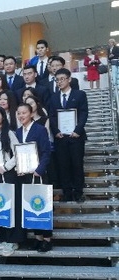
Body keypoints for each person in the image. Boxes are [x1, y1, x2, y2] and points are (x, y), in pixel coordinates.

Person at [0, 106, 24, 256]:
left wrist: (6, 167)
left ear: (3, 117)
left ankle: (13, 240)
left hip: (7, 174)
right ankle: (4, 237)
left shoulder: (9, 133)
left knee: (11, 206)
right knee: (0, 206)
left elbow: (17, 153)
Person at [16, 103, 52, 252]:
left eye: (24, 113)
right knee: (32, 205)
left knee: (42, 206)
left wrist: (40, 169)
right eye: (19, 113)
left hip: (38, 174)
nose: (21, 116)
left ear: (31, 114)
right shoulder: (17, 132)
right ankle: (38, 238)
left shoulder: (40, 129)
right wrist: (19, 167)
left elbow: (46, 152)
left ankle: (47, 239)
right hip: (24, 174)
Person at [50, 68, 88, 202]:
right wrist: (56, 131)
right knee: (63, 165)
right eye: (57, 80)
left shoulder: (80, 94)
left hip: (76, 137)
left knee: (77, 164)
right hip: (61, 138)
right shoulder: (54, 97)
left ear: (69, 79)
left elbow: (83, 113)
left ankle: (78, 192)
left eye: (62, 79)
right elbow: (52, 117)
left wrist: (78, 130)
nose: (59, 82)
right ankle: (66, 192)